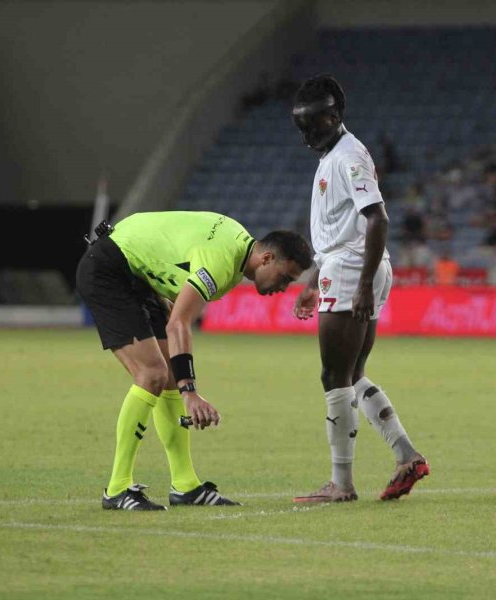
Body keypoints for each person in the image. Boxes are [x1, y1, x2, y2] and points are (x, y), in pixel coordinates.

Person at [75, 211, 312, 511]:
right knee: (152, 374)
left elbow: (175, 248)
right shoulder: (221, 262)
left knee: (168, 378)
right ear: (266, 259)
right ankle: (117, 488)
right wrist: (190, 393)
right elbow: (179, 325)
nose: (284, 288)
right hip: (109, 270)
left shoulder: (237, 245)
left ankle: (185, 485)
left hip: (136, 273)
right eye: (285, 278)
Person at [289, 74, 429, 504]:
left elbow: (378, 218)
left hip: (353, 270)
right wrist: (314, 278)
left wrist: (362, 284)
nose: (307, 134)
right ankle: (406, 455)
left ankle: (341, 484)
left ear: (333, 117)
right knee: (352, 374)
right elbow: (339, 226)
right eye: (301, 126)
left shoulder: (349, 157)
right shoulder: (335, 153)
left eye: (312, 124)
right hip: (347, 266)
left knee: (334, 376)